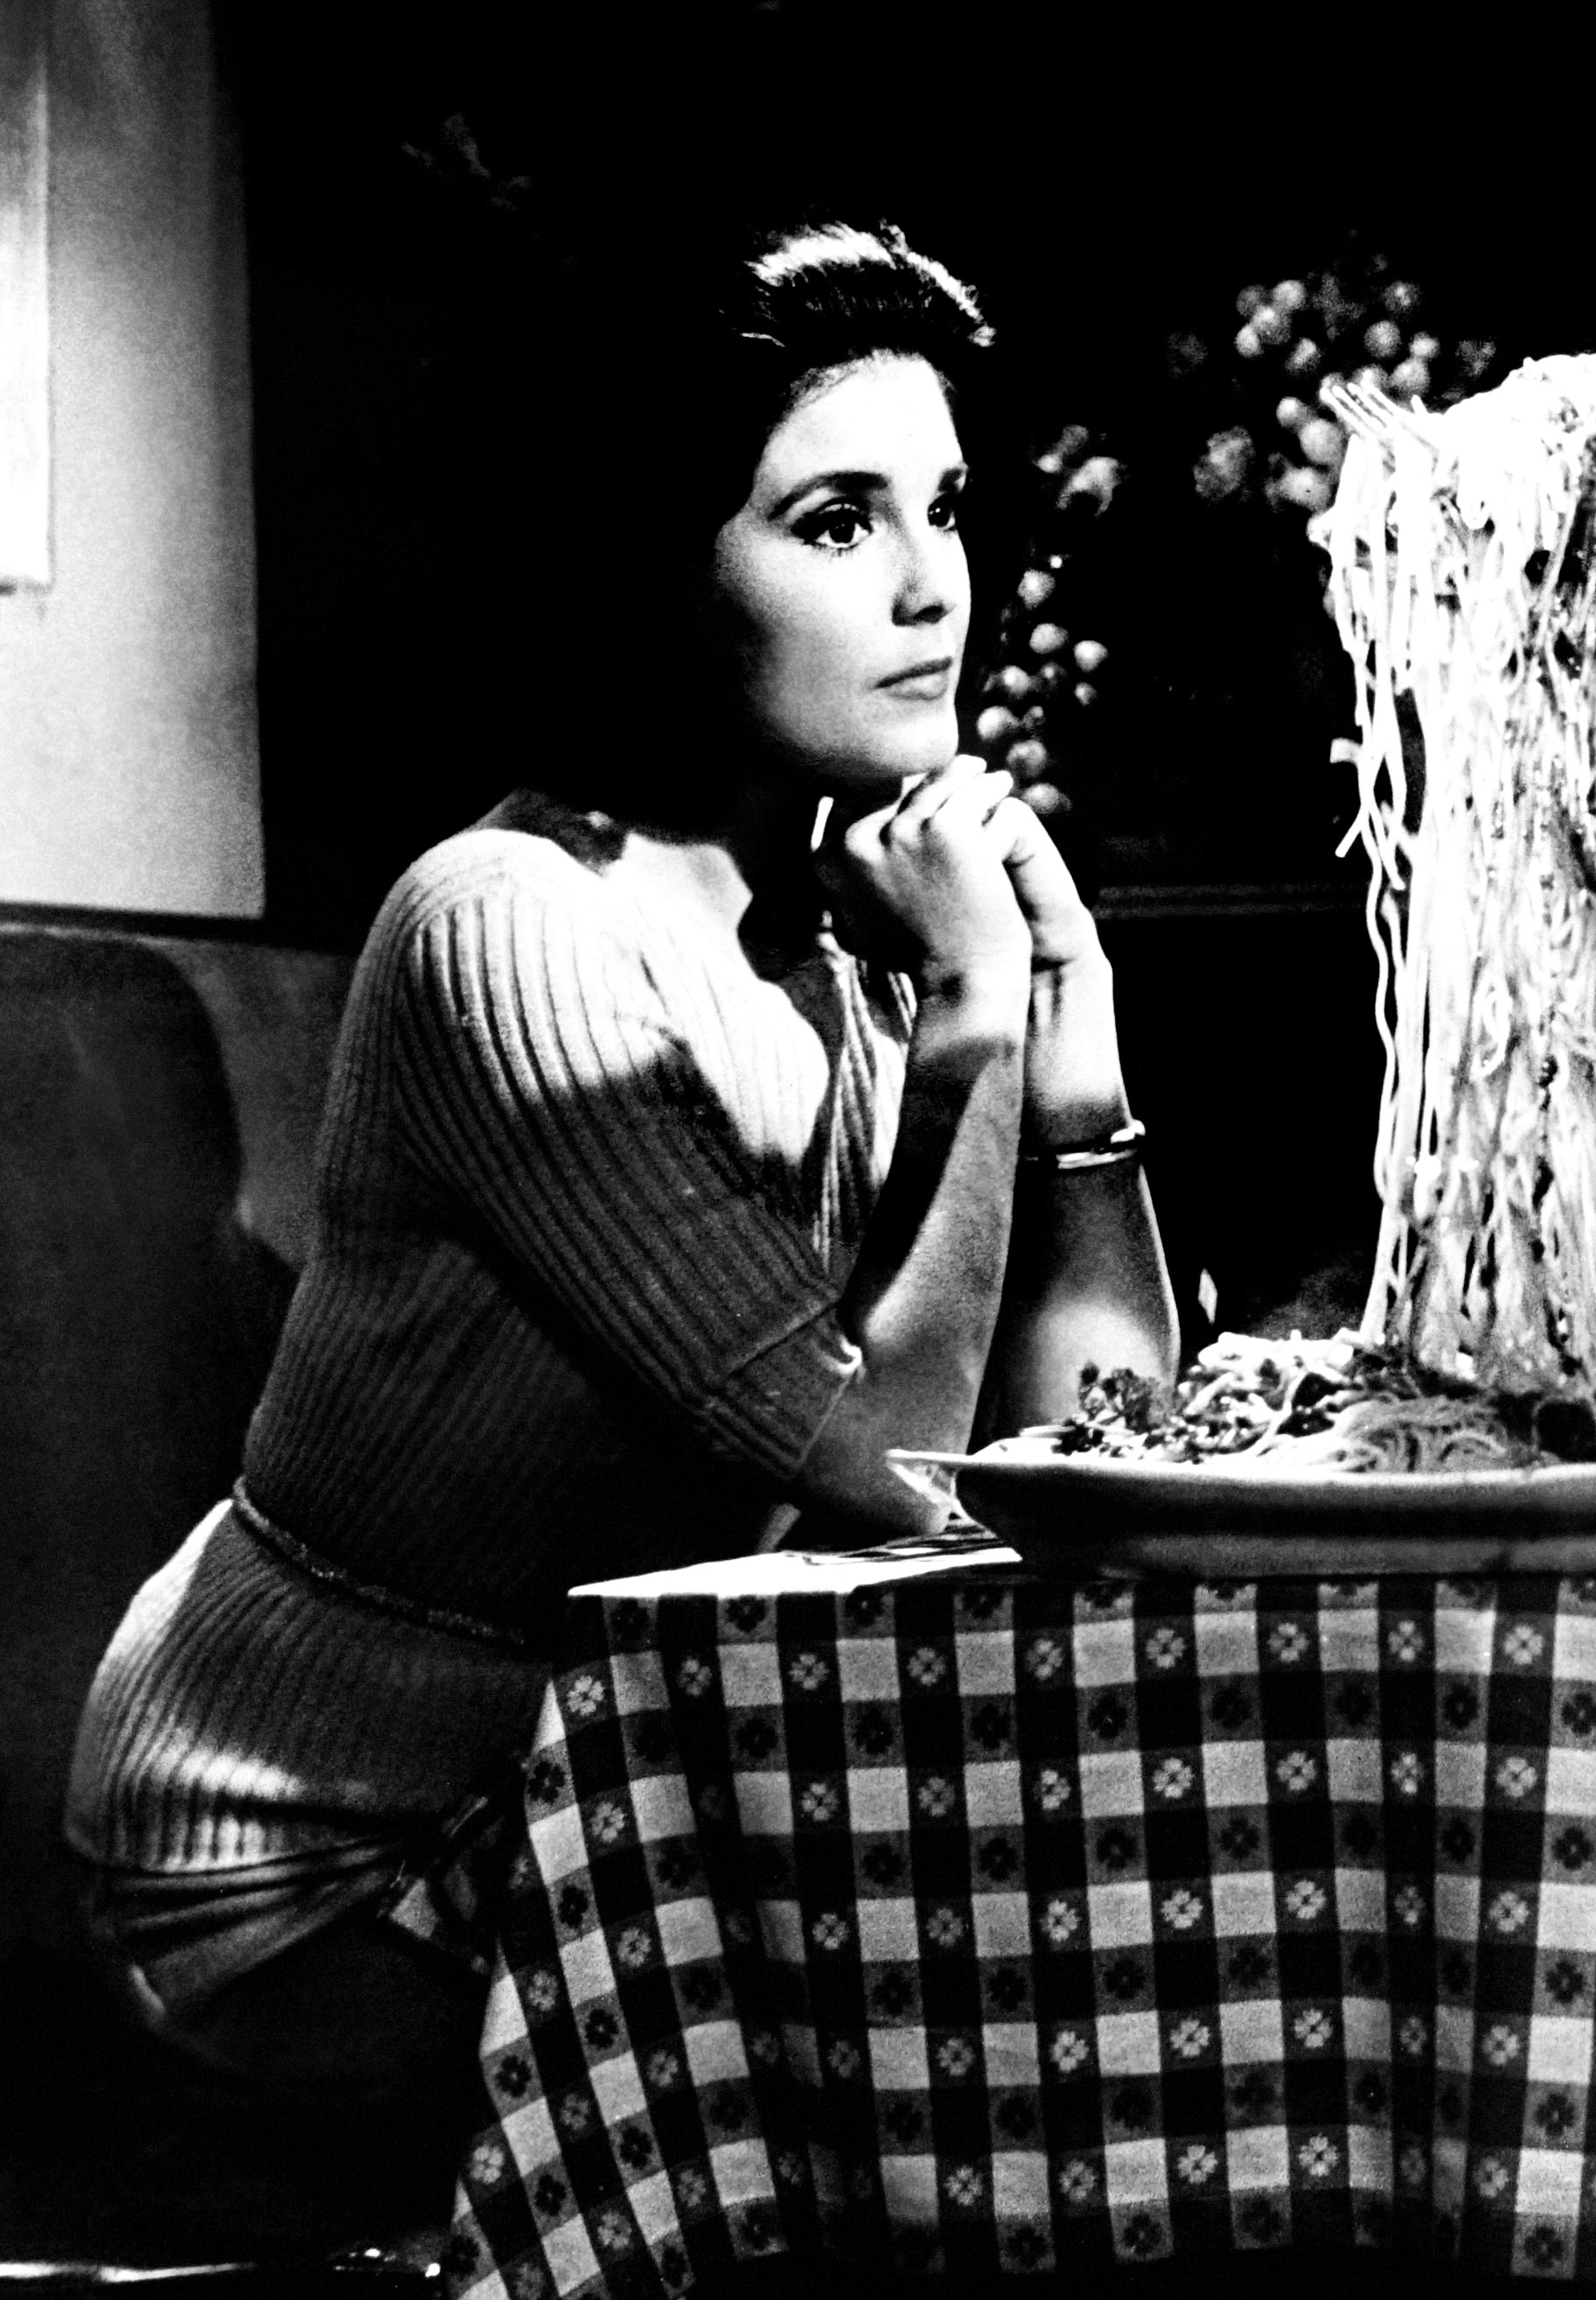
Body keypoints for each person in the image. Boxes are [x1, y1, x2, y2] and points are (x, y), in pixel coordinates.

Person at [66, 224, 1177, 2136]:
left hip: (628, 1810)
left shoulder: (846, 925)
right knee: (938, 2109)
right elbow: (896, 1482)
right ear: (663, 564)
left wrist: (1068, 1027)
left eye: (944, 510)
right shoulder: (509, 928)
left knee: (1091, 2016)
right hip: (309, 1867)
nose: (932, 586)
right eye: (835, 522)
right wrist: (975, 1014)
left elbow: (1102, 1445)